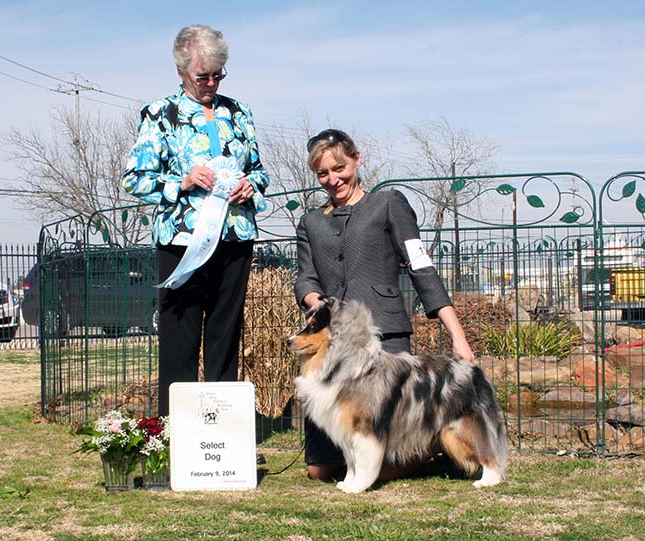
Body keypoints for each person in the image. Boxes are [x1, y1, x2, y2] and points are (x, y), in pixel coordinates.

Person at [294, 128, 475, 481]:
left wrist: (458, 335)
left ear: (357, 159)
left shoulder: (388, 203)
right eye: (323, 174)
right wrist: (317, 303)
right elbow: (305, 278)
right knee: (320, 470)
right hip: (333, 345)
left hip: (386, 338)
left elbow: (422, 268)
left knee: (384, 462)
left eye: (340, 168)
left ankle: (427, 441)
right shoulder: (310, 222)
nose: (333, 180)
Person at [122, 24, 270, 419]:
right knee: (180, 339)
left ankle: (221, 431)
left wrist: (249, 186)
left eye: (218, 74)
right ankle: (176, 432)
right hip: (182, 243)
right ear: (181, 71)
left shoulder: (239, 112)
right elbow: (134, 180)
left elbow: (260, 171)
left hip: (236, 238)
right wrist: (182, 182)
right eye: (202, 76)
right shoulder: (160, 114)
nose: (210, 83)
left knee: (226, 334)